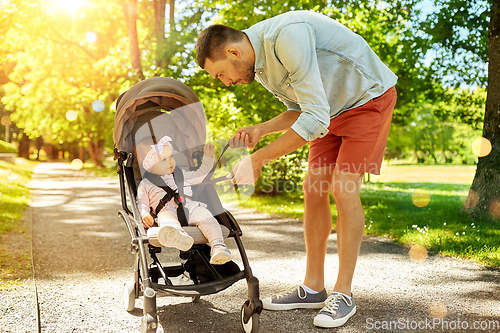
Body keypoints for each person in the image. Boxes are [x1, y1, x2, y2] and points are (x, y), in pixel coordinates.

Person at [196, 10, 398, 328]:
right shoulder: (257, 67)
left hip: (366, 99)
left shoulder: (287, 37)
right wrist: (262, 128)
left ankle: (343, 294)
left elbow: (314, 117)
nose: (226, 84)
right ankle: (313, 288)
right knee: (313, 188)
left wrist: (258, 158)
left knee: (343, 188)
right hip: (329, 110)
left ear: (233, 52)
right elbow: (302, 109)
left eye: (221, 74)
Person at [135, 135, 232, 265]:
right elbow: (142, 202)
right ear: (149, 165)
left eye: (171, 157)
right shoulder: (146, 184)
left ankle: (218, 246)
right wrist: (144, 214)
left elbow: (201, 175)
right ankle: (179, 236)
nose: (170, 162)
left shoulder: (181, 175)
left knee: (206, 216)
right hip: (166, 211)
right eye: (164, 159)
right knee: (166, 219)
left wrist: (208, 157)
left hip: (189, 207)